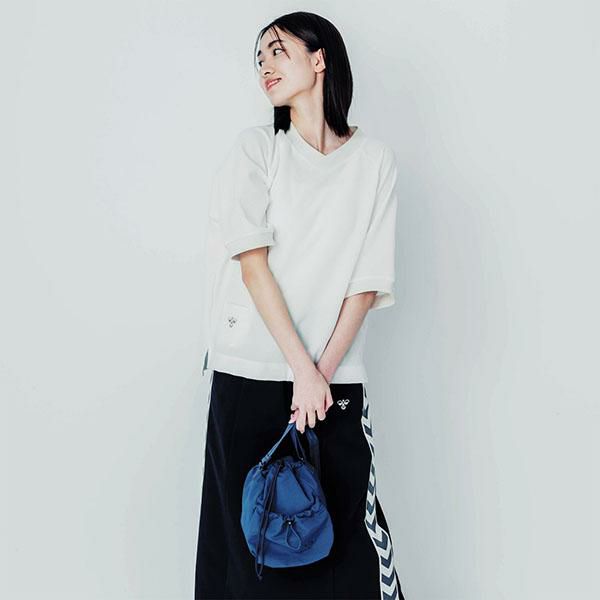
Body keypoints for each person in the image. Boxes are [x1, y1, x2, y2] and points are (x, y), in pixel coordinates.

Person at [195, 11, 406, 600]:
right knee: (247, 553)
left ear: (319, 60)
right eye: (259, 57)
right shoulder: (257, 150)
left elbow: (366, 283)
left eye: (278, 51)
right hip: (251, 373)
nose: (265, 65)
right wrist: (301, 371)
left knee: (351, 551)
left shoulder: (374, 162)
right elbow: (253, 265)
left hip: (333, 382)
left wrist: (321, 375)